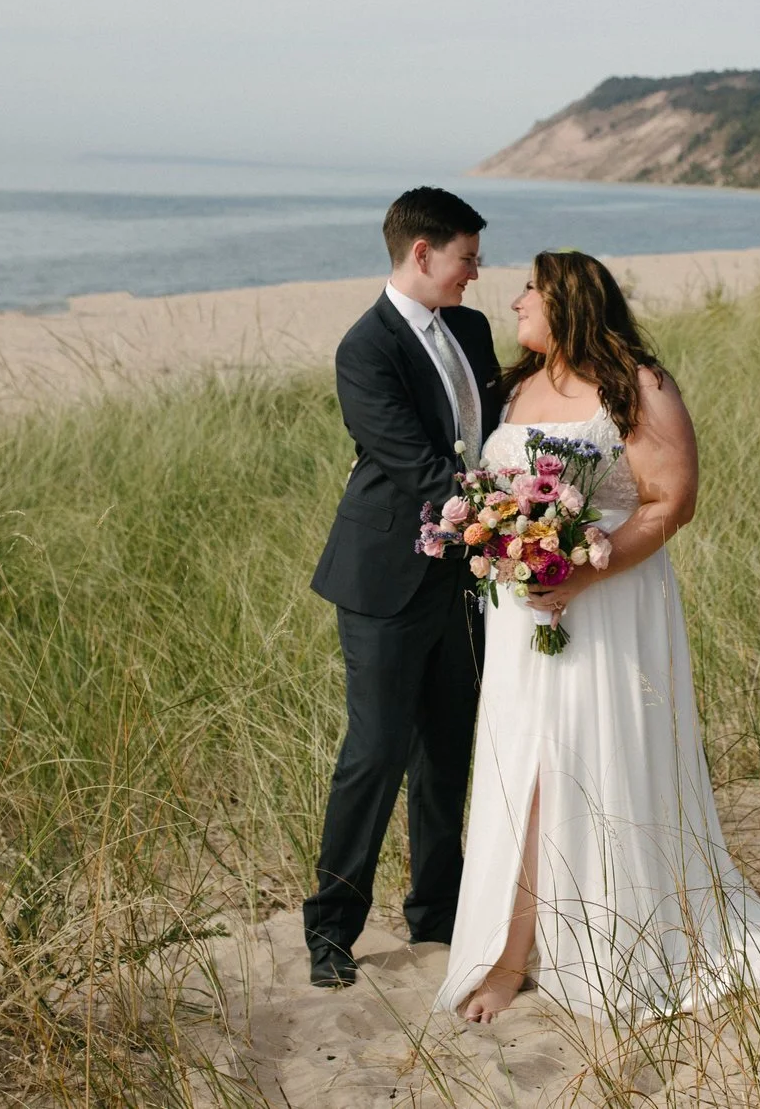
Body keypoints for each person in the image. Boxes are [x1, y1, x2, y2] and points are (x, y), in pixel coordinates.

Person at [435, 250, 760, 1022]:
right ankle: (509, 952)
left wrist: (581, 571)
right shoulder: (517, 385)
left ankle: (605, 932)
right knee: (520, 765)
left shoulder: (637, 385)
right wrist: (506, 542)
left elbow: (673, 499)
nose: (517, 300)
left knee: (587, 759)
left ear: (568, 299)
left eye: (530, 289)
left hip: (610, 602)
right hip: (520, 612)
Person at [303, 187, 502, 989]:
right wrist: (513, 519)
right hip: (384, 578)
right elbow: (417, 465)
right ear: (422, 253)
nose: (475, 274)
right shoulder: (366, 349)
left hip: (466, 579)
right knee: (376, 751)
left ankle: (438, 912)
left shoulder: (472, 329)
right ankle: (331, 927)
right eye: (466, 258)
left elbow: (495, 432)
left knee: (447, 750)